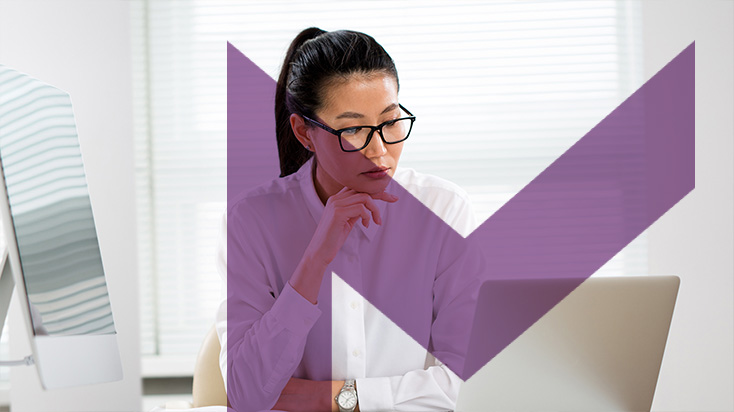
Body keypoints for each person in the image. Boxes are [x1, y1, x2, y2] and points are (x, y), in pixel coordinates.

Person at [217, 27, 484, 412]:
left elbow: (470, 382)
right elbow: (246, 396)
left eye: (391, 121)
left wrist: (337, 399)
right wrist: (315, 259)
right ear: (304, 133)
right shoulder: (251, 221)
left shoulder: (443, 209)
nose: (380, 150)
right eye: (353, 129)